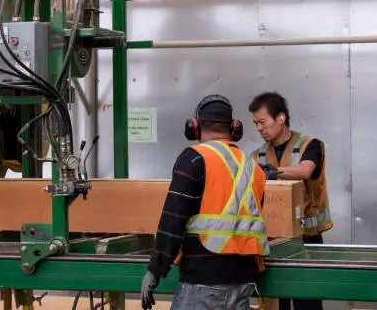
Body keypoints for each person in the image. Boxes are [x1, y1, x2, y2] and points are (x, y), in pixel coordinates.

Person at [141, 95, 269, 310]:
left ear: (195, 128)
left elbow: (173, 220)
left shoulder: (194, 158)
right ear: (235, 128)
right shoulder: (253, 167)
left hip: (203, 280)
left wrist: (155, 269)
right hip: (243, 281)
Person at [249, 92, 332, 310]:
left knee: (308, 300)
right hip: (272, 241)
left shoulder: (310, 145)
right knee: (275, 301)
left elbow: (306, 170)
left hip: (307, 240)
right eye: (256, 123)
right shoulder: (256, 156)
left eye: (262, 122)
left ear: (281, 118)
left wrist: (272, 172)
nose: (259, 128)